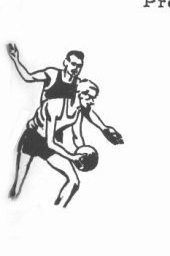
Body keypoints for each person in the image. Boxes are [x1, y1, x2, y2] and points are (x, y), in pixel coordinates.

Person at [9, 78, 103, 207]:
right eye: (90, 98)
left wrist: (84, 152)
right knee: (18, 185)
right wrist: (72, 157)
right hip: (31, 139)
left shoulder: (77, 112)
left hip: (46, 145)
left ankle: (58, 209)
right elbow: (51, 142)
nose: (92, 102)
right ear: (81, 94)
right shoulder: (55, 106)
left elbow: (77, 137)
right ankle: (9, 206)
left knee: (74, 181)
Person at [7, 43, 123, 144]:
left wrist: (104, 128)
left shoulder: (78, 84)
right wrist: (16, 60)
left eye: (79, 66)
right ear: (65, 62)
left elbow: (86, 110)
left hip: (57, 133)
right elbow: (28, 77)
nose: (76, 68)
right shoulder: (52, 74)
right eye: (73, 64)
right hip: (39, 128)